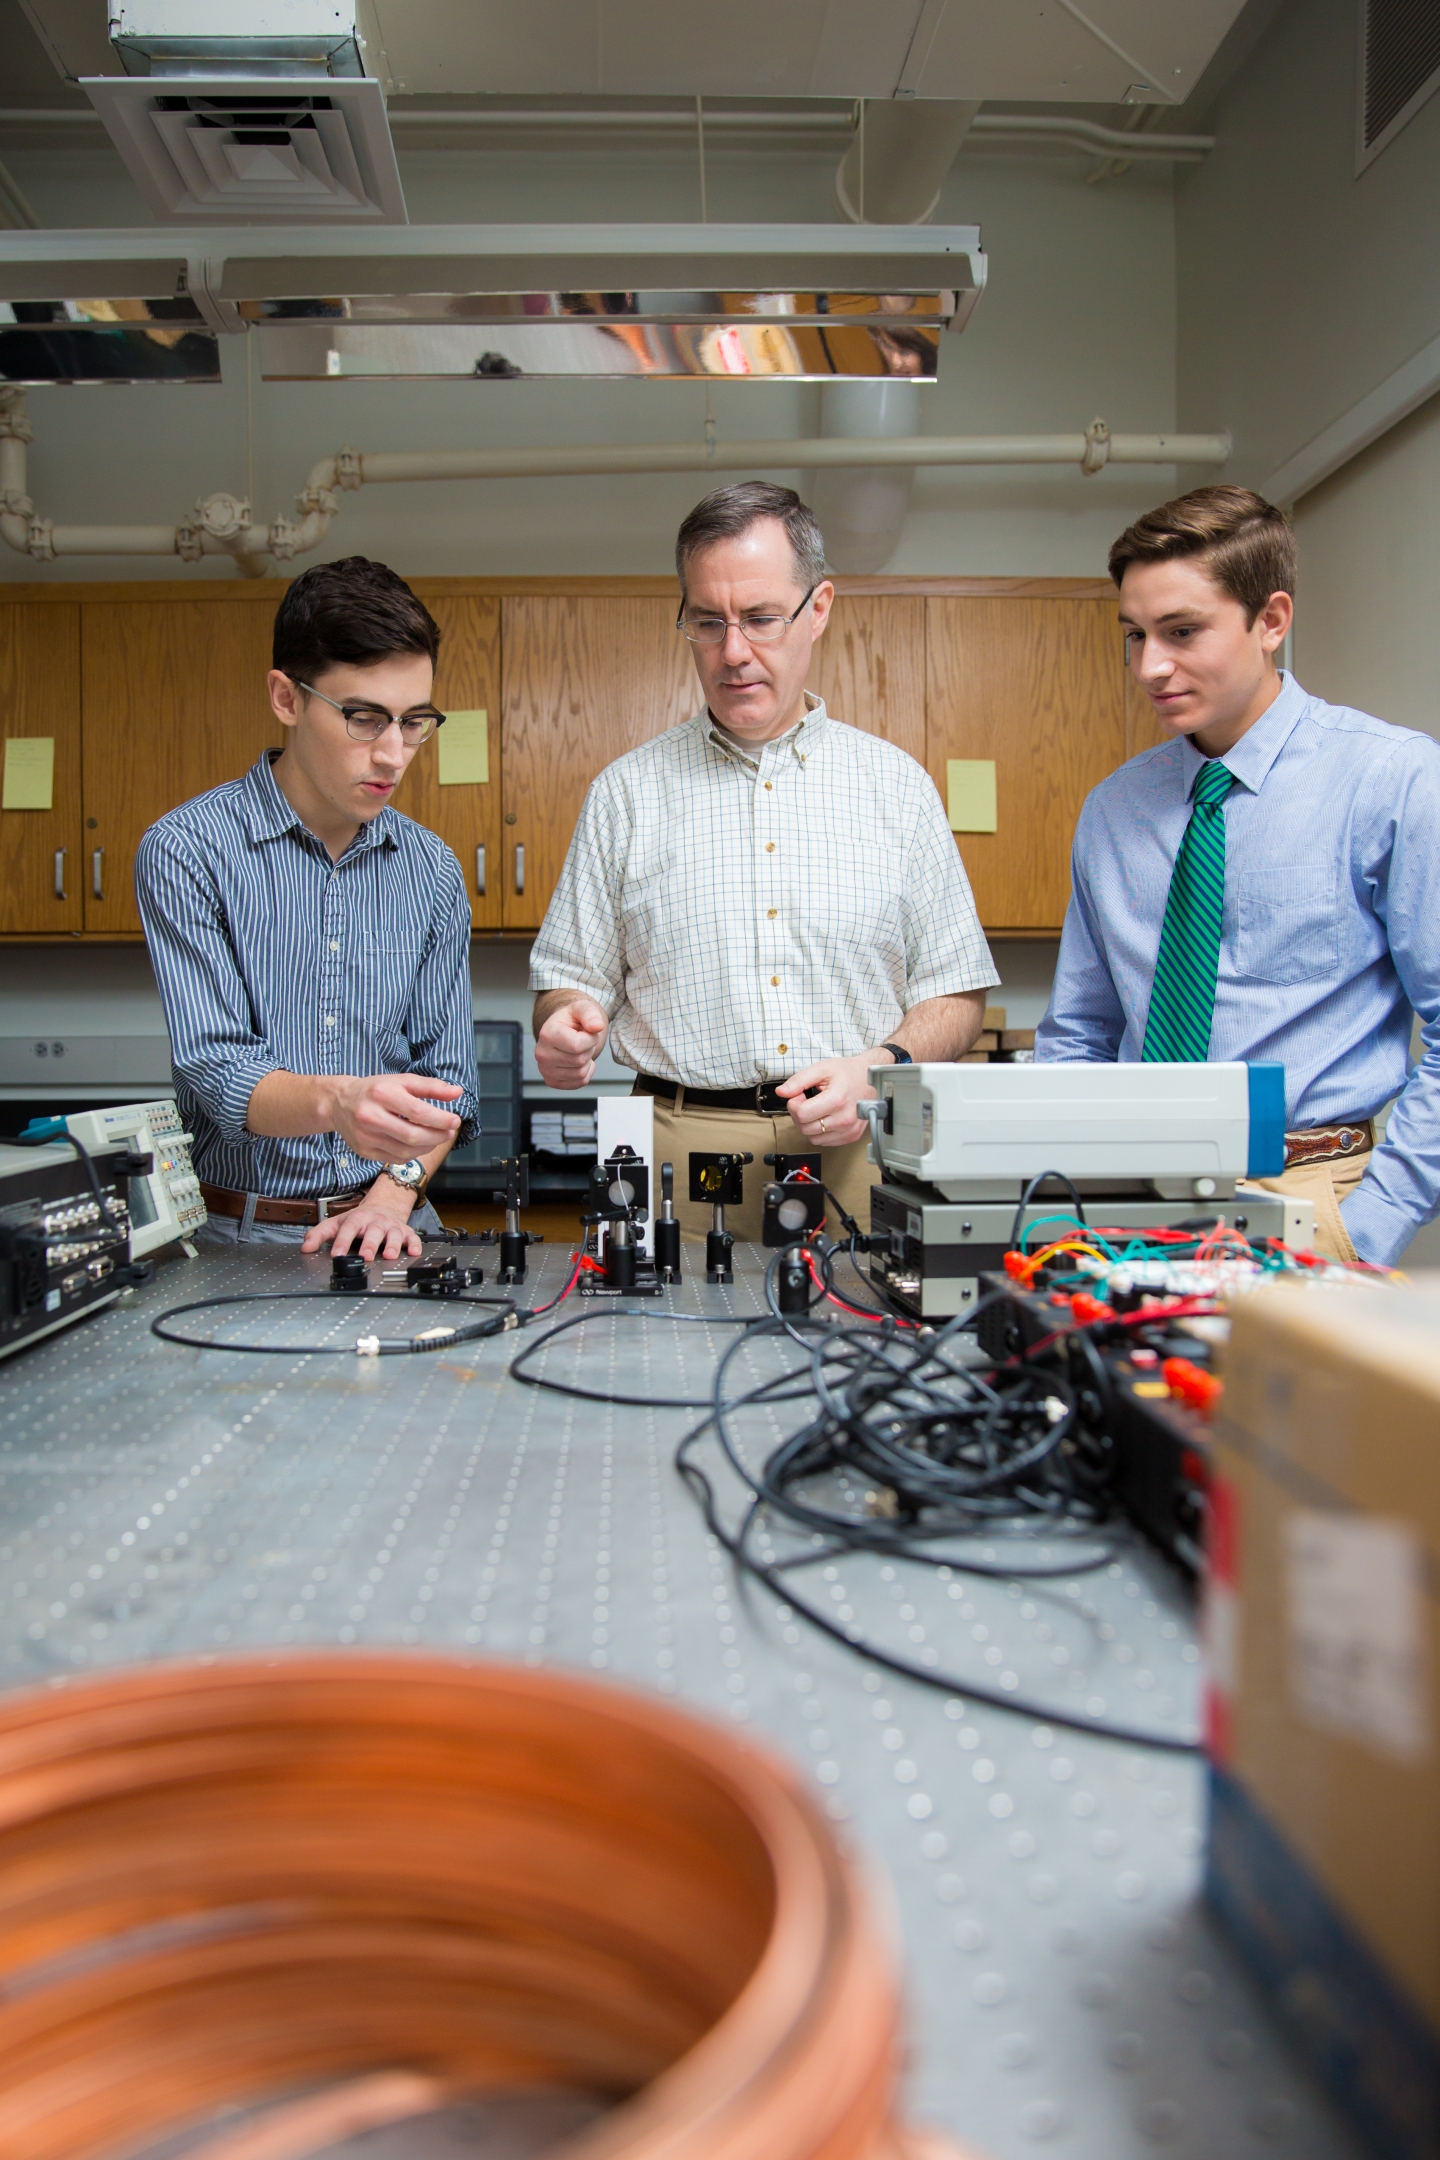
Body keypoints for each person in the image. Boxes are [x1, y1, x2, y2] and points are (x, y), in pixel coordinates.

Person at [530, 481, 999, 1240]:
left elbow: (957, 994)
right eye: (707, 622)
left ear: (818, 610)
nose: (733, 651)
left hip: (851, 1154)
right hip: (672, 1156)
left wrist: (878, 1066)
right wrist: (561, 1023)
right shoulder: (626, 793)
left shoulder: (898, 788)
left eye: (760, 618)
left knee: (857, 1356)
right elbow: (566, 984)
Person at [1035, 485, 1440, 1268]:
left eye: (1182, 631)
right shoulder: (1113, 810)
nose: (1150, 666)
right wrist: (1060, 1202)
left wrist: (1373, 1220)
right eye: (1135, 635)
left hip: (1311, 1196)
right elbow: (1079, 1033)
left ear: (1272, 621)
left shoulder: (1395, 781)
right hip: (1126, 1206)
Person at [135, 556, 479, 1262]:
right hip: (240, 1235)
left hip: (394, 1226)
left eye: (415, 722)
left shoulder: (432, 869)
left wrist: (393, 1194)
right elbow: (219, 1071)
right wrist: (336, 1103)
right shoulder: (186, 851)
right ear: (287, 699)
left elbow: (451, 1083)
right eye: (364, 718)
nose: (393, 754)